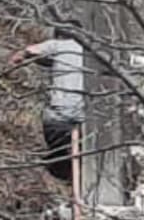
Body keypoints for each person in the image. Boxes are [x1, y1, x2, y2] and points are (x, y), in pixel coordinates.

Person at [8, 21, 86, 182]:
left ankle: (63, 174)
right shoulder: (90, 52)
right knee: (80, 151)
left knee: (58, 148)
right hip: (86, 116)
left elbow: (28, 52)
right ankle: (76, 175)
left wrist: (16, 60)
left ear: (59, 35)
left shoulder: (57, 45)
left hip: (60, 115)